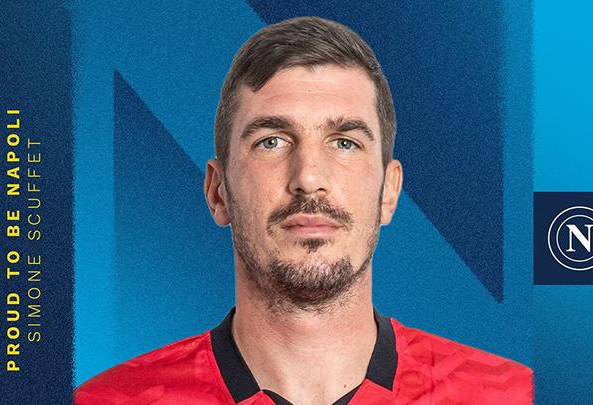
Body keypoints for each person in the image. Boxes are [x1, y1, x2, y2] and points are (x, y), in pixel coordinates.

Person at [74, 16, 533, 404]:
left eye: (344, 142)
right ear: (218, 192)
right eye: (271, 141)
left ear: (389, 192)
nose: (308, 176)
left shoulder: (512, 395)